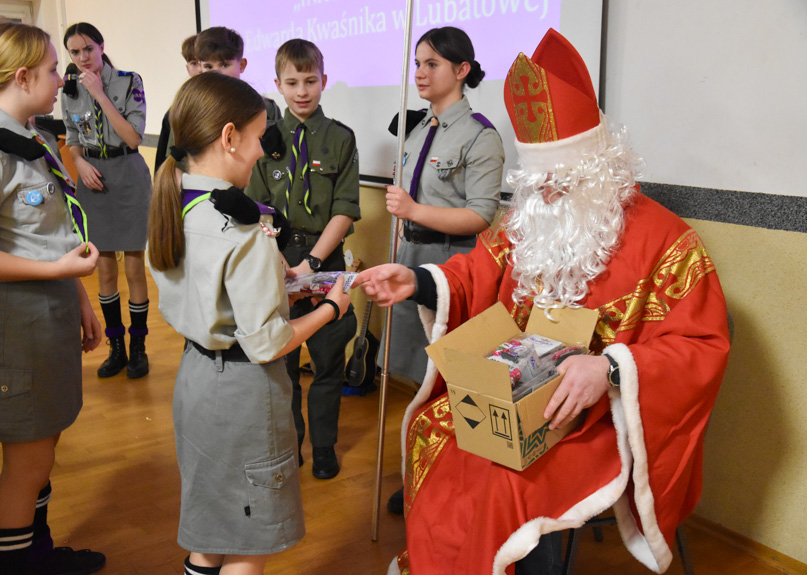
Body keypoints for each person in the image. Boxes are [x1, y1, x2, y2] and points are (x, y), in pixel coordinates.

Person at [355, 29, 730, 574]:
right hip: (518, 398)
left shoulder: (669, 242)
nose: (547, 195)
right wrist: (417, 281)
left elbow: (701, 347)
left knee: (508, 480)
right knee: (435, 428)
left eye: (563, 182)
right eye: (538, 181)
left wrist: (609, 369)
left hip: (601, 419)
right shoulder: (532, 218)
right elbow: (477, 271)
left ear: (601, 168)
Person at [148, 71, 351, 575]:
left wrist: (276, 284)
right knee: (247, 542)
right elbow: (268, 342)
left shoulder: (178, 204)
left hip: (195, 380)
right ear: (230, 137)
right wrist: (331, 308)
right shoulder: (245, 232)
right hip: (241, 396)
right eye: (261, 137)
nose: (264, 151)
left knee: (212, 525)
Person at [0, 18, 105, 574]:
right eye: (53, 69)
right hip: (13, 325)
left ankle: (38, 556)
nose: (61, 75)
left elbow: (48, 236)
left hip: (45, 315)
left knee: (40, 458)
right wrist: (58, 270)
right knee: (25, 466)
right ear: (21, 75)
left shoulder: (30, 138)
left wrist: (78, 298)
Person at [381, 25, 504, 514]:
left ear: (462, 70)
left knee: (451, 379)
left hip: (452, 265)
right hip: (411, 258)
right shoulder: (416, 129)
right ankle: (420, 473)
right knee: (417, 375)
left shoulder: (480, 135)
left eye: (431, 64)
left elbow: (481, 215)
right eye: (417, 63)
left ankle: (453, 483)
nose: (420, 73)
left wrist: (414, 212)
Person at [245, 38, 359, 480]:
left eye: (310, 80)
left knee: (328, 359)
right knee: (283, 361)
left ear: (324, 81)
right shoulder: (264, 142)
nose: (302, 91)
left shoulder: (340, 138)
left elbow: (345, 208)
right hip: (275, 255)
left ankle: (324, 445)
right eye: (292, 82)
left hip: (323, 258)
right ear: (277, 84)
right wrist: (276, 258)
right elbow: (254, 208)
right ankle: (290, 443)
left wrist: (312, 261)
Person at [62, 22, 153, 380]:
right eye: (75, 52)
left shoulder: (129, 81)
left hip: (128, 175)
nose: (83, 58)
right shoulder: (68, 90)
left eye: (88, 49)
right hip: (93, 180)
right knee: (103, 267)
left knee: (133, 266)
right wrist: (80, 163)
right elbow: (71, 138)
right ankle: (116, 347)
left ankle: (139, 347)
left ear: (101, 46)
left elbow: (132, 138)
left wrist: (100, 94)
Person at [195, 26, 283, 129]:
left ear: (241, 65)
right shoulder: (190, 110)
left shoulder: (265, 108)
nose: (216, 73)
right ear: (200, 68)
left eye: (224, 65)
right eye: (208, 67)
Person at [154, 34, 199, 174]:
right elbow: (168, 159)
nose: (200, 69)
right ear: (188, 68)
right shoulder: (178, 109)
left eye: (204, 63)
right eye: (194, 63)